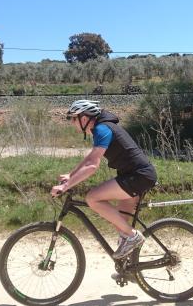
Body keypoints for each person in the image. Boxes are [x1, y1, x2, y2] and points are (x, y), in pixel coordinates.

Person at [51, 100, 157, 259]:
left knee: (92, 198)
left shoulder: (102, 129)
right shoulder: (101, 128)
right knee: (121, 223)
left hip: (138, 176)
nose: (72, 123)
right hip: (135, 175)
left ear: (84, 118)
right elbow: (90, 158)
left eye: (73, 118)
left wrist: (65, 186)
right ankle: (130, 269)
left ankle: (134, 236)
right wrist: (70, 176)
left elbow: (93, 166)